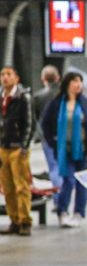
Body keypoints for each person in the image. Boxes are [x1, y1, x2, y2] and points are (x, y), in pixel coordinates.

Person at [40, 71, 87, 227]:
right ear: (67, 84)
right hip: (64, 150)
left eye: (80, 81)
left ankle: (79, 212)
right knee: (68, 180)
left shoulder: (86, 102)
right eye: (75, 81)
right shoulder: (57, 103)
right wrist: (52, 141)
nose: (78, 84)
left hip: (83, 150)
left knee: (82, 183)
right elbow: (45, 124)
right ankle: (62, 210)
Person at [0, 66, 34, 236]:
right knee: (7, 187)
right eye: (2, 74)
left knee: (21, 186)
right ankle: (14, 220)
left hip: (18, 148)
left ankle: (25, 221)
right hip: (3, 147)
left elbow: (30, 123)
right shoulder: (1, 97)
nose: (5, 77)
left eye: (8, 74)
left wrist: (24, 146)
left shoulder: (23, 97)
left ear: (16, 78)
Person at [33, 65, 62, 188]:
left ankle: (58, 193)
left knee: (53, 166)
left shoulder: (38, 97)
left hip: (47, 137)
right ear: (58, 77)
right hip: (66, 135)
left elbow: (35, 118)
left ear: (42, 79)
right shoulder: (66, 95)